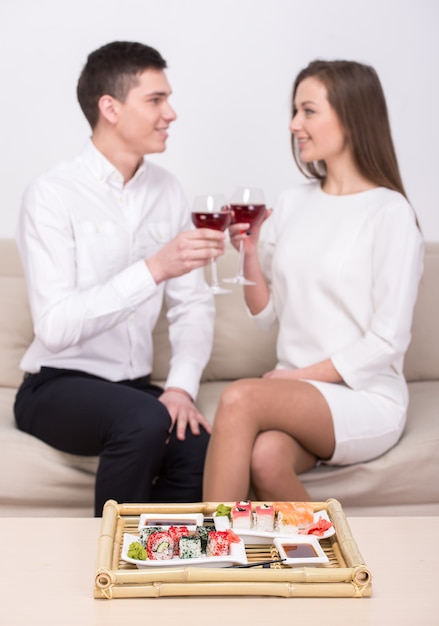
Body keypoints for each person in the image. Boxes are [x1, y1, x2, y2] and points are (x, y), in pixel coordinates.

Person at [14, 41, 226, 516]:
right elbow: (55, 326)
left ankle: (164, 562)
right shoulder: (52, 195)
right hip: (55, 385)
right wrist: (153, 269)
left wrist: (180, 388)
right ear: (109, 107)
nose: (170, 113)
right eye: (155, 100)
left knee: (198, 442)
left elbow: (193, 305)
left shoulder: (167, 191)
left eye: (168, 99)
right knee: (143, 419)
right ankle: (111, 562)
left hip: (133, 389)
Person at [202, 59, 424, 502]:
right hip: (300, 392)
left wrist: (294, 379)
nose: (293, 125)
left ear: (351, 115)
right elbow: (266, 316)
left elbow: (387, 341)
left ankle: (207, 550)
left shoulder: (390, 213)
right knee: (266, 458)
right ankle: (335, 563)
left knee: (239, 398)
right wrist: (249, 254)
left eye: (308, 111)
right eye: (294, 111)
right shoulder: (291, 202)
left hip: (364, 396)